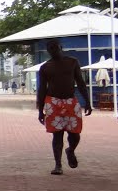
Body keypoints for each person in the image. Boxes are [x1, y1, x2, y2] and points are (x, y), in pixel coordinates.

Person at [37, 39, 92, 176]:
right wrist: (40, 110)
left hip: (70, 102)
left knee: (75, 134)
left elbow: (80, 83)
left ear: (61, 47)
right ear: (48, 50)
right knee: (57, 135)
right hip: (53, 102)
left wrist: (88, 102)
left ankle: (70, 150)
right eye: (50, 48)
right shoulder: (45, 67)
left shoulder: (72, 62)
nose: (53, 49)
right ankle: (58, 165)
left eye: (55, 47)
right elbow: (42, 88)